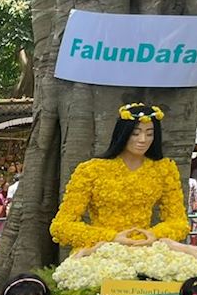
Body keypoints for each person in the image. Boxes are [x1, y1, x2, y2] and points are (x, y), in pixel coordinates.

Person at [50, 103, 189, 250]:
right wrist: (111, 237)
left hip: (144, 248)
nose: (143, 139)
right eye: (135, 133)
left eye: (149, 134)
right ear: (123, 134)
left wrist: (154, 235)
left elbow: (179, 222)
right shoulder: (91, 170)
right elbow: (61, 226)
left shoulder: (164, 169)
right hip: (100, 249)